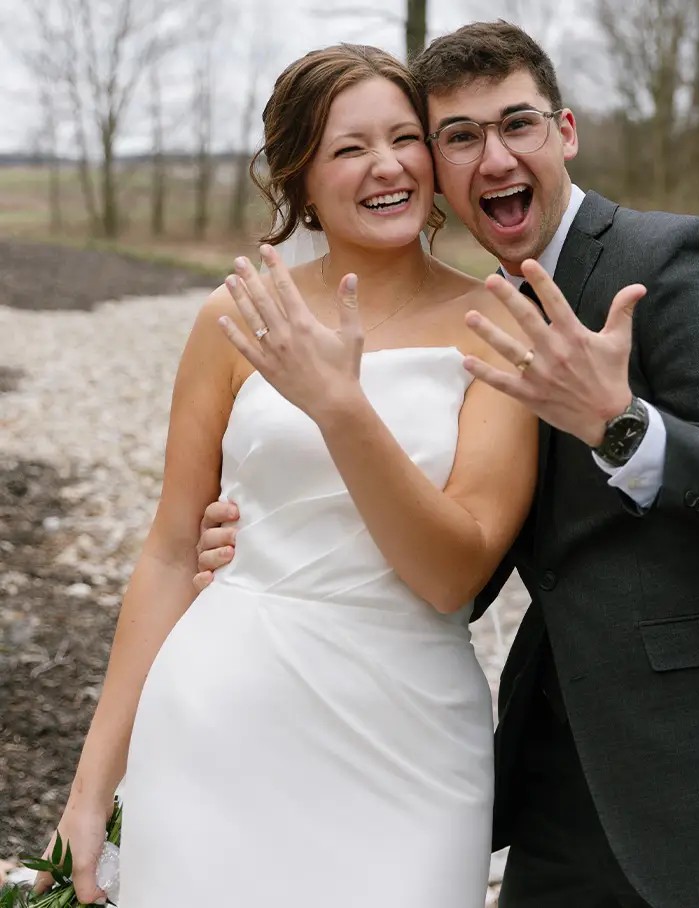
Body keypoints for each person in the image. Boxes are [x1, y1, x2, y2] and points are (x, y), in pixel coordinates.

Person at [196, 21, 699, 908]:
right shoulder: (481, 317)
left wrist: (620, 426)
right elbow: (466, 530)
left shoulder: (676, 258)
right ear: (438, 174)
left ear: (563, 133)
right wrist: (265, 540)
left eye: (517, 124)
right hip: (569, 775)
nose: (493, 157)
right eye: (459, 136)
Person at [31, 43, 554, 908]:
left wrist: (339, 405)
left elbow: (452, 572)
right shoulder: (234, 315)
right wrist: (89, 793)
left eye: (404, 138)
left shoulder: (497, 323)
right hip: (223, 711)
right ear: (299, 179)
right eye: (349, 148)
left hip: (410, 731)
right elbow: (169, 553)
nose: (386, 166)